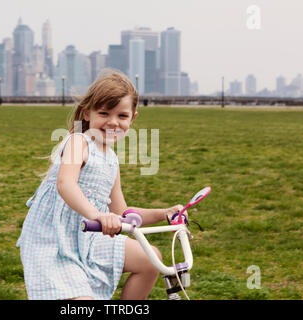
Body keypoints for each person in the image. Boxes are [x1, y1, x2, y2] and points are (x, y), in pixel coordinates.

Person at [16, 69, 186, 300]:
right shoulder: (79, 142)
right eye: (104, 113)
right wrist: (97, 215)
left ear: (133, 118)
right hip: (54, 241)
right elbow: (66, 184)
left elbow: (121, 212)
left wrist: (163, 214)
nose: (113, 122)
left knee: (150, 259)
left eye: (122, 116)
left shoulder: (111, 160)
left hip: (89, 239)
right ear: (87, 114)